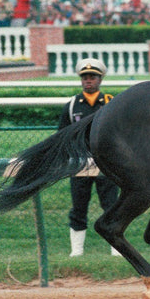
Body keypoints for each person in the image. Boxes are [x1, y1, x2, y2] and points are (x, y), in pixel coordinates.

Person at [59, 58, 119, 257]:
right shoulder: (72, 105)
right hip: (80, 163)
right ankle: (77, 251)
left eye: (93, 76)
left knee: (111, 205)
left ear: (100, 79)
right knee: (79, 206)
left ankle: (116, 248)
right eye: (85, 77)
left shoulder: (112, 102)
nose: (88, 80)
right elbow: (63, 135)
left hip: (106, 163)